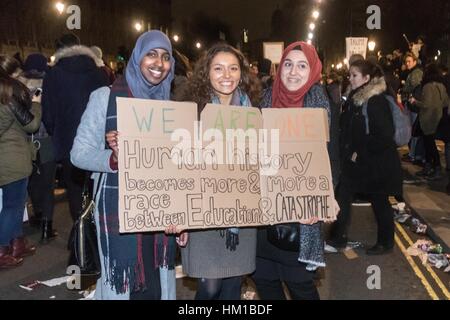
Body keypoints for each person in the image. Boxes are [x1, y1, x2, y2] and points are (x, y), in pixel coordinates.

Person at [71, 30, 187, 300]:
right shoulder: (105, 97)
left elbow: (181, 169)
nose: (159, 63)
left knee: (155, 289)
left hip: (160, 218)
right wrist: (112, 158)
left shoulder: (172, 108)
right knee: (129, 290)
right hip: (120, 215)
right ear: (137, 58)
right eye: (151, 54)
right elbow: (79, 154)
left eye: (166, 57)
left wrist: (185, 219)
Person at [253, 41, 336, 300]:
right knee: (265, 283)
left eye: (302, 66)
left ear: (313, 71)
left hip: (300, 219)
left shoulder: (319, 102)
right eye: (288, 64)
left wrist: (323, 199)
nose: (293, 72)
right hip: (261, 219)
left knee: (300, 286)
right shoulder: (263, 99)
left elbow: (331, 158)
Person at [180, 43, 261, 300]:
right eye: (218, 68)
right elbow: (177, 168)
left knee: (232, 288)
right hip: (204, 214)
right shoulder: (190, 110)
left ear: (242, 73)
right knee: (210, 287)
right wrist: (177, 213)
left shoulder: (253, 111)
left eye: (233, 68)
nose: (227, 75)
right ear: (207, 72)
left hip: (242, 213)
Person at [329, 60, 402, 255]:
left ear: (367, 78)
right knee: (344, 192)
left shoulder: (374, 100)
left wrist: (359, 152)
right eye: (350, 75)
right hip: (362, 162)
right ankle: (338, 237)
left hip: (377, 164)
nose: (350, 79)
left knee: (379, 202)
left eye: (354, 75)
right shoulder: (356, 98)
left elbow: (385, 135)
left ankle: (385, 243)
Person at [42, 33, 109, 224]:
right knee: (95, 186)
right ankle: (95, 232)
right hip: (98, 139)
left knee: (74, 190)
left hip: (68, 139)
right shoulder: (98, 73)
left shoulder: (54, 74)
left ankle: (79, 235)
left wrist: (56, 132)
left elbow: (48, 112)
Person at [0, 55, 41, 268]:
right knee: (12, 206)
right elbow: (31, 125)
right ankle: (2, 248)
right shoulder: (7, 98)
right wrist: (35, 104)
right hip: (11, 159)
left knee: (16, 204)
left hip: (11, 158)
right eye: (17, 76)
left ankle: (16, 243)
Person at [18, 53, 58, 243]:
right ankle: (47, 225)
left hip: (26, 140)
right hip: (47, 139)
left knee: (32, 179)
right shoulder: (51, 84)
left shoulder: (18, 86)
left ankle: (37, 212)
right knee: (48, 183)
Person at [409, 63, 449, 180]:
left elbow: (426, 104)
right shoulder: (441, 85)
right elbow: (446, 102)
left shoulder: (427, 86)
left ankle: (435, 168)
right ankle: (429, 167)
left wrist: (414, 101)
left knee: (429, 145)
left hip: (428, 119)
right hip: (438, 117)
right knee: (429, 144)